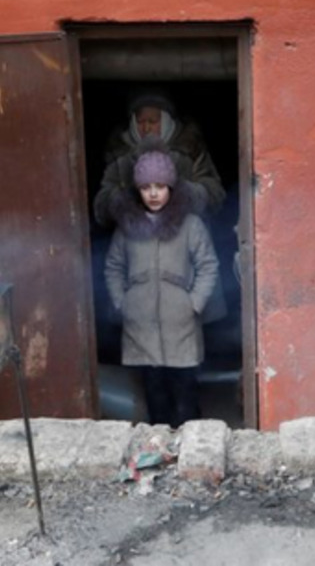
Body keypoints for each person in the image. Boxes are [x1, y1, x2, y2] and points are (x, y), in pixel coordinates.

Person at [103, 141, 220, 427]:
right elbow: (113, 267)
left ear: (172, 187)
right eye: (146, 187)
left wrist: (194, 303)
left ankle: (191, 449)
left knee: (186, 393)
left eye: (160, 186)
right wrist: (122, 301)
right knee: (155, 394)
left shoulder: (190, 224)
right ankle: (161, 450)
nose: (153, 193)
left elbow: (208, 266)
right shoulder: (127, 227)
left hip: (180, 324)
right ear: (137, 190)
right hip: (140, 325)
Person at [94, 90, 225, 228]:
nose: (146, 128)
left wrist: (186, 193)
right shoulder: (120, 154)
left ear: (167, 120)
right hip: (133, 238)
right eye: (140, 122)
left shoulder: (189, 148)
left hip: (183, 237)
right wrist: (122, 198)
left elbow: (216, 195)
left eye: (153, 121)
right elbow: (100, 208)